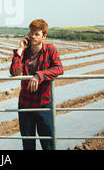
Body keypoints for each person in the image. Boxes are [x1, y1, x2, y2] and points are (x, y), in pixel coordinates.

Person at [9, 19, 64, 150]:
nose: (33, 36)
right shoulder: (25, 52)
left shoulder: (50, 50)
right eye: (31, 33)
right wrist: (20, 49)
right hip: (25, 104)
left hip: (43, 103)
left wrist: (40, 75)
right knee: (28, 144)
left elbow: (59, 68)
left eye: (37, 34)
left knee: (47, 143)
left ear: (44, 36)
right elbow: (14, 72)